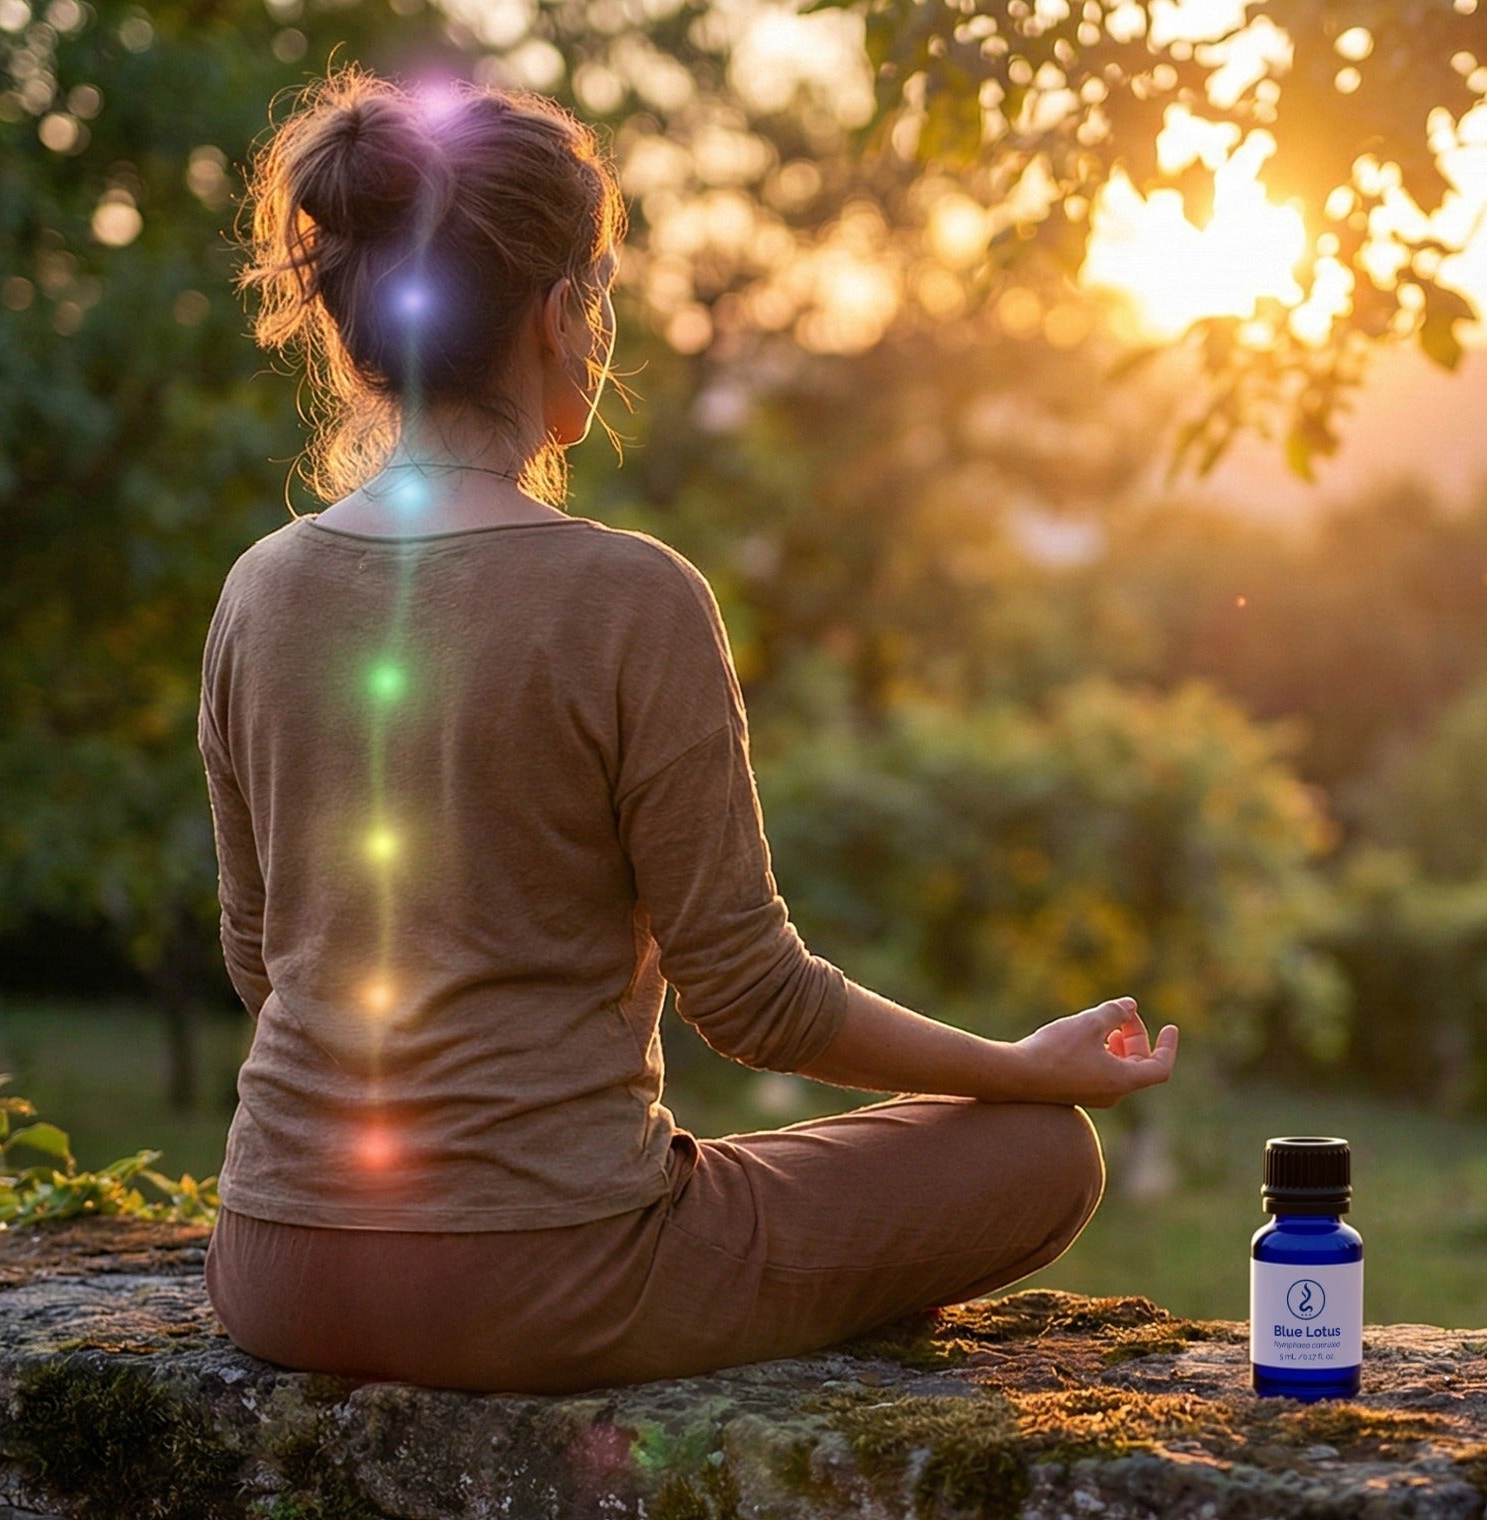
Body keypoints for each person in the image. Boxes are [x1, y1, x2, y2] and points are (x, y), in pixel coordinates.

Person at [195, 68, 1180, 1395]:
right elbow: (755, 1001)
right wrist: (1009, 1068)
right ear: (558, 316)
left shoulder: (259, 589)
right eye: (598, 298)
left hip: (274, 1263)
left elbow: (263, 957)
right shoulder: (630, 595)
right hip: (540, 1281)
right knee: (1040, 1153)